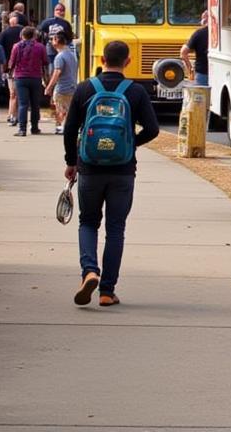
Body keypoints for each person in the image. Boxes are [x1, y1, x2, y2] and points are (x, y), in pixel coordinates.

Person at [64, 40, 160, 307]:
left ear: (102, 59)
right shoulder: (136, 91)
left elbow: (70, 129)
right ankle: (107, 291)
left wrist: (72, 161)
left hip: (90, 168)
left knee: (87, 222)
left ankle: (89, 271)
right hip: (123, 171)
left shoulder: (85, 88)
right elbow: (152, 129)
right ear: (127, 61)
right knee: (116, 229)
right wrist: (130, 144)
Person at [9, 25, 48, 137]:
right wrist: (46, 78)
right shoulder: (40, 47)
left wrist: (11, 74)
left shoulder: (16, 46)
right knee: (35, 104)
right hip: (35, 77)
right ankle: (35, 127)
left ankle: (22, 129)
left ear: (22, 35)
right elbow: (45, 62)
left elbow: (12, 62)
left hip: (20, 77)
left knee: (23, 104)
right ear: (34, 35)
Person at [44, 31, 78, 133]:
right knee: (68, 108)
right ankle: (67, 126)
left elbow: (57, 72)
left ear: (57, 41)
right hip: (72, 86)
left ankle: (61, 126)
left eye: (53, 39)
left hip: (62, 87)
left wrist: (49, 87)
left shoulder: (59, 57)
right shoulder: (72, 55)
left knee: (59, 108)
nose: (51, 42)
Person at [0, 12, 24, 125]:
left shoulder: (4, 33)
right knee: (19, 94)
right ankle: (16, 115)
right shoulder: (24, 31)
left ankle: (11, 115)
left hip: (11, 68)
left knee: (12, 93)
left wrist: (3, 65)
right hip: (24, 67)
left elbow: (0, 48)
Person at [181, 11, 210, 86]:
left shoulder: (198, 34)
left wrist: (190, 69)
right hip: (219, 72)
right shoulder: (219, 34)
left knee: (201, 96)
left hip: (202, 73)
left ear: (203, 21)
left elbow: (183, 52)